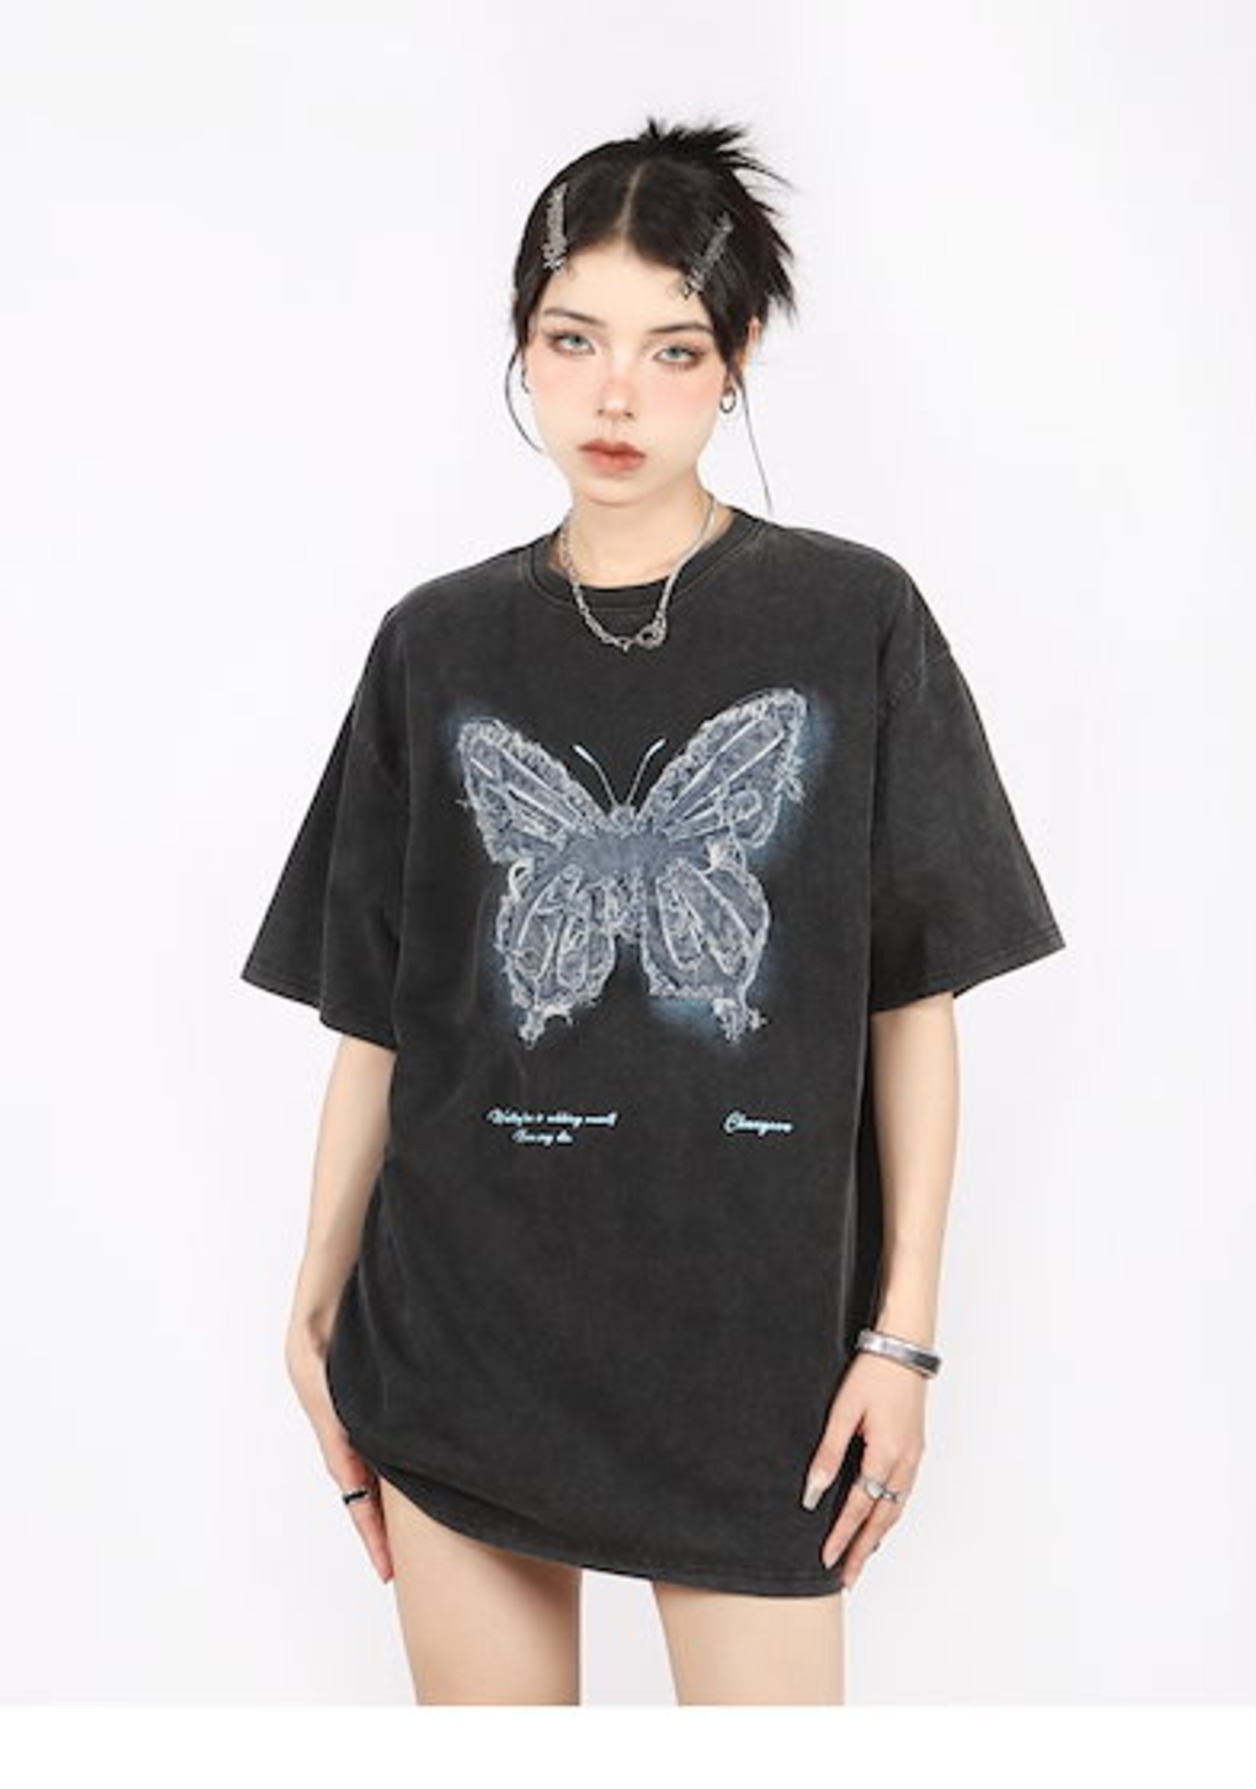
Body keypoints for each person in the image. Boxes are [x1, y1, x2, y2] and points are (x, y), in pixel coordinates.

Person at [240, 114, 1066, 1705]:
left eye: (671, 348)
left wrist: (901, 1337)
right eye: (575, 340)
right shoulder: (434, 643)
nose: (615, 395)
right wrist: (312, 1298)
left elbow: (913, 997)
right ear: (523, 346)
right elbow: (383, 1018)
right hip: (461, 1335)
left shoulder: (851, 615)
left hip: (755, 1355)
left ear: (736, 359)